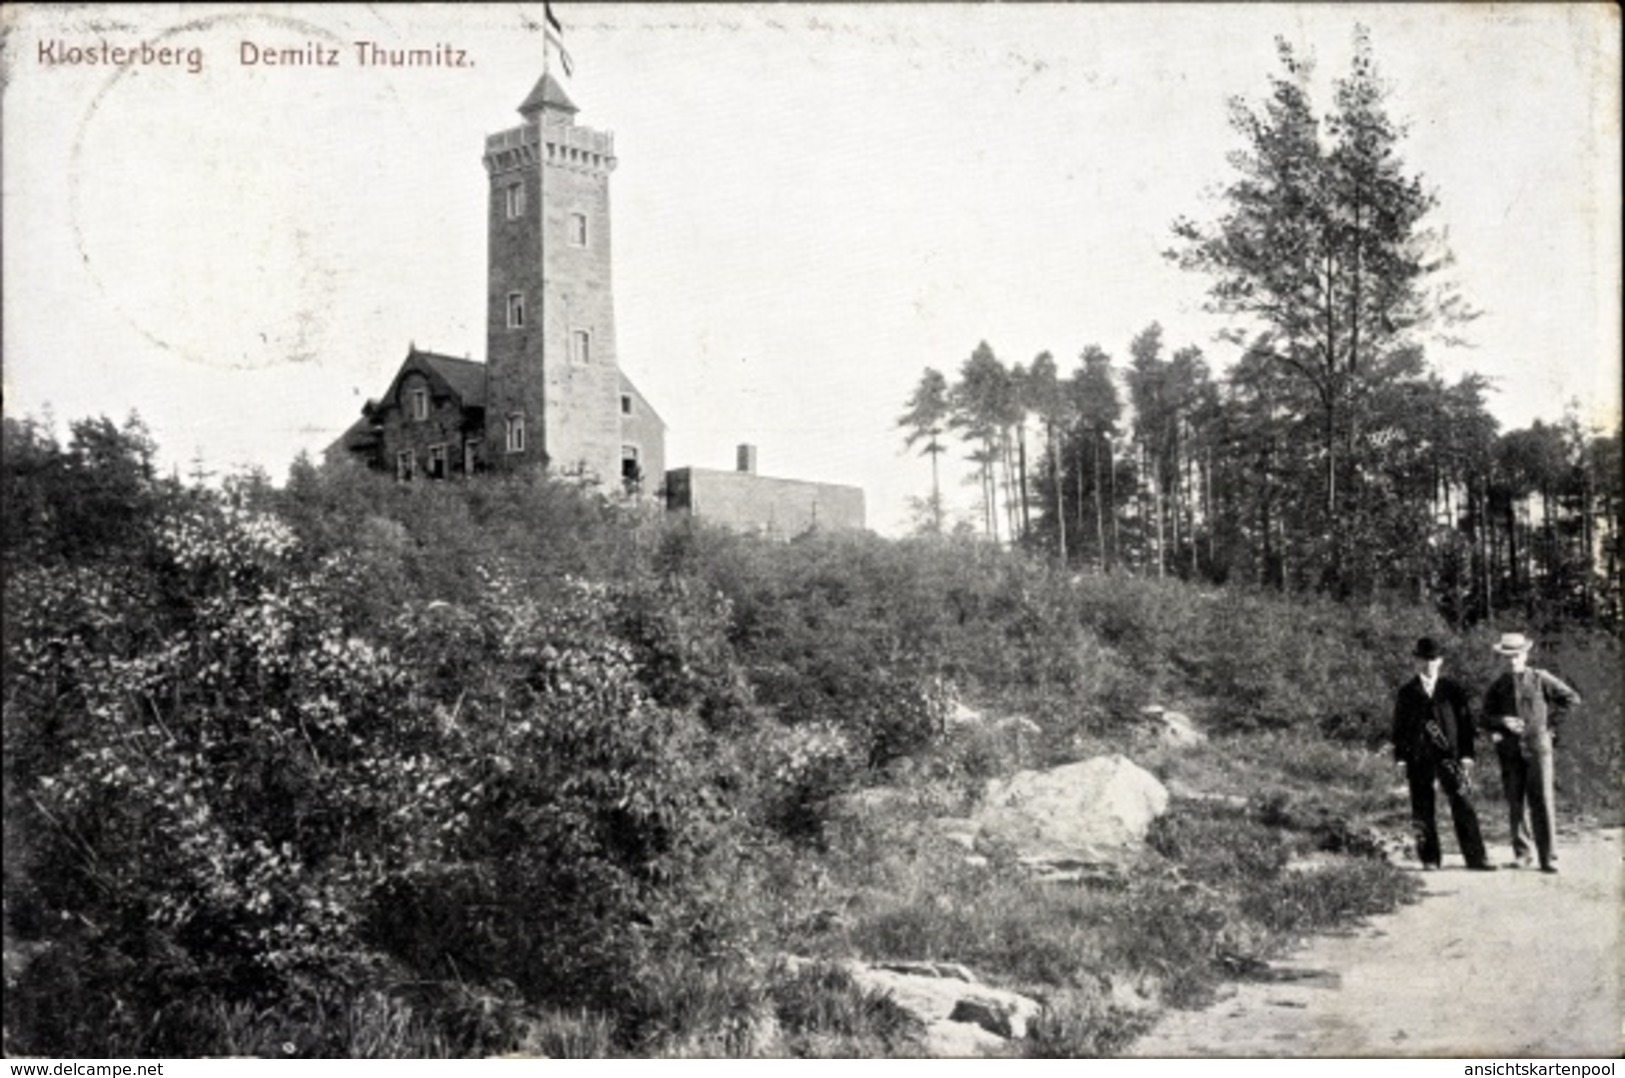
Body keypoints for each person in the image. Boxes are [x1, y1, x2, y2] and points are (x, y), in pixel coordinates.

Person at [1482, 632, 1582, 873]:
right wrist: (1502, 721)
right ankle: (1523, 854)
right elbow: (1483, 717)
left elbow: (1572, 699)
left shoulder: (1541, 678)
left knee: (1543, 801)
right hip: (1509, 750)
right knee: (1515, 802)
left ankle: (1548, 857)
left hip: (1539, 748)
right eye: (1506, 657)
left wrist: (1552, 727)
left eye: (1515, 655)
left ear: (1525, 654)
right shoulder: (1498, 686)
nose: (1511, 660)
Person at [1391, 637, 1494, 871]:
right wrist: (1400, 758)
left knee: (1463, 802)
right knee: (1422, 806)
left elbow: (1465, 724)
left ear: (1441, 661)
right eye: (1424, 659)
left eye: (1433, 659)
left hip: (1450, 755)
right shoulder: (1407, 692)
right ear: (1417, 661)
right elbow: (1399, 728)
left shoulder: (1453, 690)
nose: (1429, 664)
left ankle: (1476, 858)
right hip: (1419, 757)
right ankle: (1429, 858)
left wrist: (1467, 755)